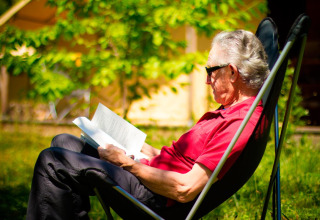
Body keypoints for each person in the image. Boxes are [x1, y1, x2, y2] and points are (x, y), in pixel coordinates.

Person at [26, 29, 269, 219]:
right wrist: (133, 145)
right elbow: (179, 159)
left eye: (211, 71)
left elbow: (184, 189)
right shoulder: (230, 112)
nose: (207, 80)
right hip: (153, 175)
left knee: (53, 161)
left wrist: (126, 163)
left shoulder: (240, 123)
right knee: (64, 142)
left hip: (158, 198)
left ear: (233, 73)